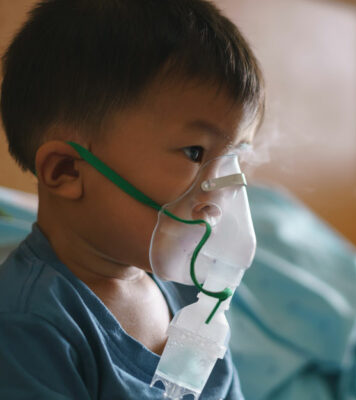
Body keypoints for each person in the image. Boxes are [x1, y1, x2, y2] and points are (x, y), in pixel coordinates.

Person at [0, 0, 264, 399]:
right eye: (195, 152)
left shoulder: (192, 297)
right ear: (67, 171)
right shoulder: (28, 323)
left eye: (234, 159)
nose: (220, 198)